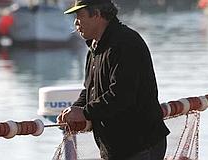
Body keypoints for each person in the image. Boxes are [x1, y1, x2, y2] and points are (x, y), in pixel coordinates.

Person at [56, 0, 170, 159]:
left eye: (79, 16)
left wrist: (85, 112)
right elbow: (90, 90)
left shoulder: (125, 43)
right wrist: (74, 110)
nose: (76, 22)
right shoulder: (94, 49)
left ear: (96, 14)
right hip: (117, 148)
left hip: (140, 145)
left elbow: (122, 95)